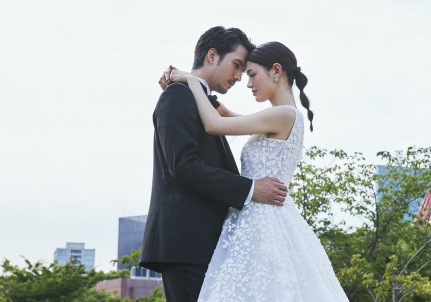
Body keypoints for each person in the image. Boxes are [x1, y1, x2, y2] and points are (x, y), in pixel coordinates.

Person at [164, 41, 348, 301]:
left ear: (276, 70)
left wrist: (191, 80)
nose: (247, 83)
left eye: (251, 75)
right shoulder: (278, 116)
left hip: (262, 220)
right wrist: (187, 82)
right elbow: (224, 113)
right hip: (257, 217)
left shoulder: (284, 114)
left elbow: (214, 123)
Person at [140, 27, 289, 302]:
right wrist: (251, 189)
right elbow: (183, 165)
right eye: (236, 65)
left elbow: (218, 113)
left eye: (244, 71)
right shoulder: (177, 96)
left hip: (205, 244)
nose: (238, 77)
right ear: (212, 55)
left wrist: (188, 78)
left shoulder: (195, 98)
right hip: (186, 245)